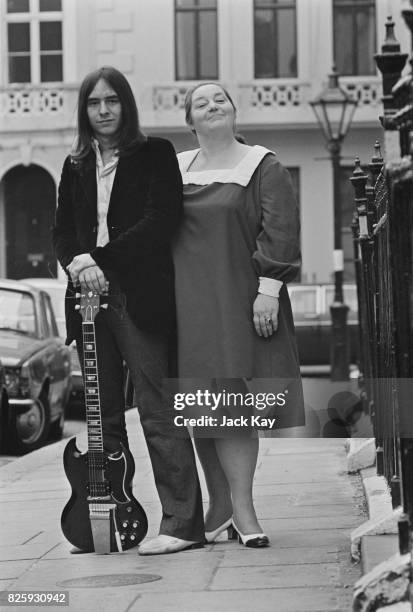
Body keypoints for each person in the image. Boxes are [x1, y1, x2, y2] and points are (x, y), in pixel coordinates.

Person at [53, 66, 204, 555]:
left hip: (137, 297)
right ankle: (113, 523)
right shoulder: (75, 164)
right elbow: (62, 233)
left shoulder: (155, 153)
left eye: (111, 101)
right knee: (103, 419)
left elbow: (160, 222)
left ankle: (181, 525)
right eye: (94, 103)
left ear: (126, 105)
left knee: (158, 411)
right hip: (87, 298)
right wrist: (81, 269)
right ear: (85, 110)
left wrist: (98, 259)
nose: (103, 111)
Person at [173, 82, 304, 548]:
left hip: (239, 300)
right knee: (199, 409)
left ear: (234, 111)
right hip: (186, 305)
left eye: (220, 99)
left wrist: (269, 289)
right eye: (201, 102)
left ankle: (244, 509)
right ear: (189, 121)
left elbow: (282, 228)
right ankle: (219, 507)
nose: (213, 105)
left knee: (234, 410)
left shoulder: (262, 165)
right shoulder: (175, 169)